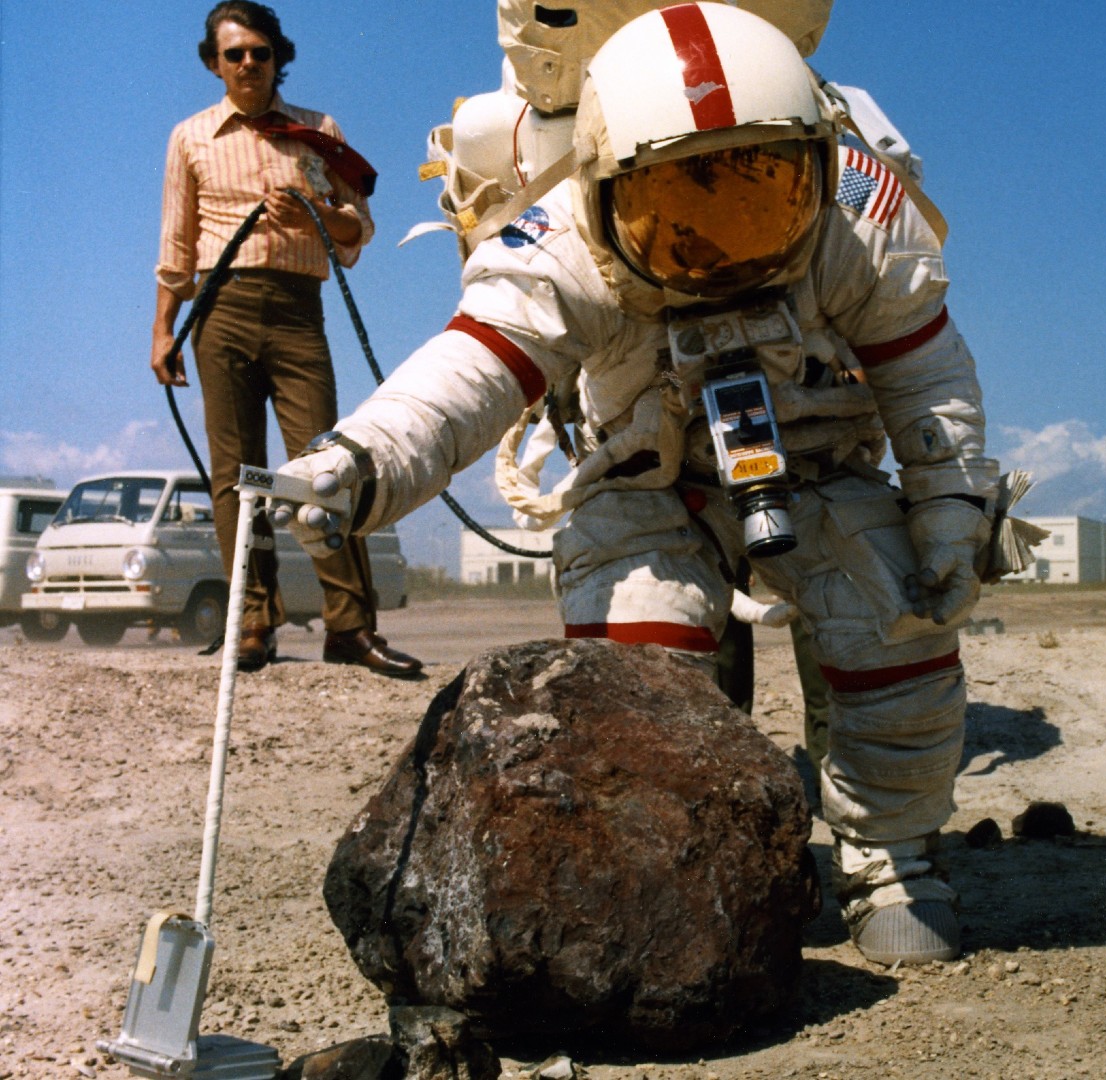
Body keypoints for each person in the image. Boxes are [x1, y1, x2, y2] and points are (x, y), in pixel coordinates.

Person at [276, 3, 999, 962]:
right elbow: (468, 377)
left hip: (829, 473)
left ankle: (893, 862)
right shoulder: (560, 244)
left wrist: (949, 509)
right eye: (682, 211)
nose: (726, 239)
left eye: (761, 190)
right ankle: (683, 859)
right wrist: (361, 464)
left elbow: (926, 378)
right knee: (643, 655)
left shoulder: (859, 220)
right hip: (650, 482)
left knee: (892, 622)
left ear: (818, 161)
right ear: (606, 184)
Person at [151, 1, 421, 677]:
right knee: (235, 475)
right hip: (221, 310)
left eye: (259, 53)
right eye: (233, 54)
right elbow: (176, 248)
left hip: (300, 312)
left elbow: (358, 228)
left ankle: (350, 627)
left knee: (323, 466)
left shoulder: (317, 130)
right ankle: (252, 622)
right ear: (214, 63)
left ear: (279, 58)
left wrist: (314, 212)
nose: (247, 64)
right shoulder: (191, 137)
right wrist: (162, 329)